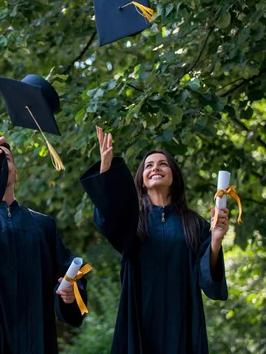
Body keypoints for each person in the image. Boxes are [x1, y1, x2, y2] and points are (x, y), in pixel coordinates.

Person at [79, 127, 229, 354]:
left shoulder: (194, 224)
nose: (155, 168)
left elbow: (209, 282)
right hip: (140, 319)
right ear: (141, 181)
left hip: (182, 322)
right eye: (149, 166)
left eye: (162, 164)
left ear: (174, 177)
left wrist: (216, 240)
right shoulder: (132, 221)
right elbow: (109, 218)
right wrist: (106, 169)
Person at [0, 125, 87, 354]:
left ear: (16, 171)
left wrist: (71, 294)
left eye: (7, 159)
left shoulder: (43, 225)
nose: (1, 163)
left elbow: (70, 275)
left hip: (35, 336)